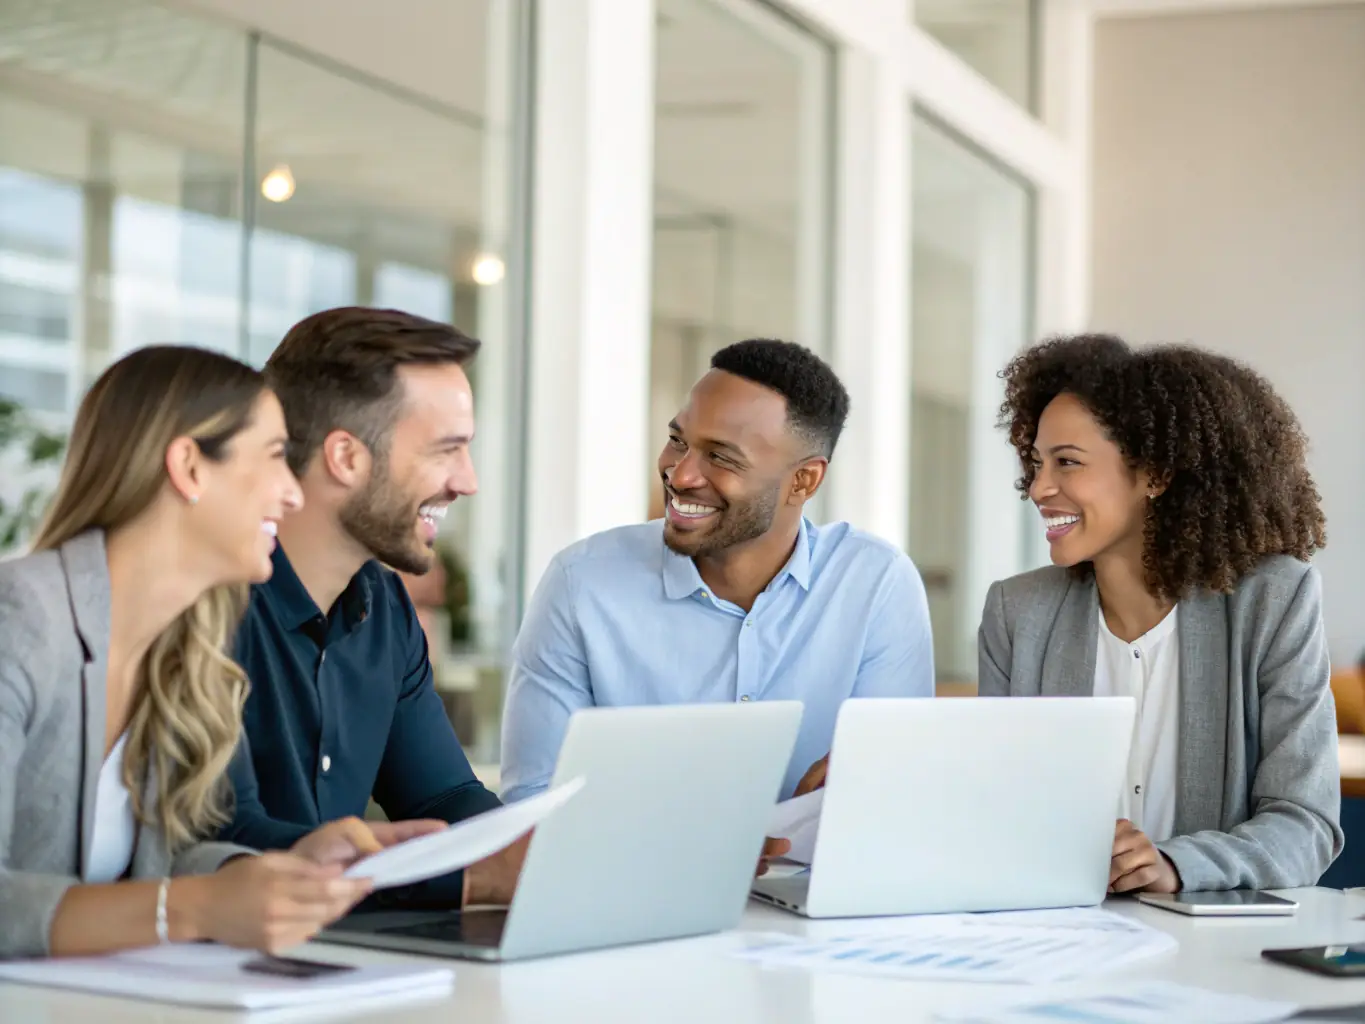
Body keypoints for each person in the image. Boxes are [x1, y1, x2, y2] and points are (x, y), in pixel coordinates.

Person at [0, 345, 439, 960]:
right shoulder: (19, 621)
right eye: (275, 459)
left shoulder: (188, 649)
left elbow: (164, 859)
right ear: (190, 467)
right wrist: (197, 907)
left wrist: (282, 869)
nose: (292, 494)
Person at [979, 333, 1342, 893]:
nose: (1039, 488)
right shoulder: (1018, 612)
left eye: (1067, 462)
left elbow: (1305, 824)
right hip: (1059, 939)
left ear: (1155, 474)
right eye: (1035, 464)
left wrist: (1176, 864)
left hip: (1217, 951)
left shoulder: (1272, 600)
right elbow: (993, 806)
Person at [500, 338, 934, 807]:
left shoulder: (876, 585)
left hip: (814, 880)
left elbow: (894, 793)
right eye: (677, 441)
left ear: (804, 480)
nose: (680, 474)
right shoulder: (581, 584)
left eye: (722, 457)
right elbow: (532, 803)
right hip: (631, 880)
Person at [220, 307, 523, 909]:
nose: (468, 481)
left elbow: (442, 799)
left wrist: (539, 848)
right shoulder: (210, 605)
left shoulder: (383, 606)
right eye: (447, 450)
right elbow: (228, 838)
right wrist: (474, 880)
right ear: (346, 457)